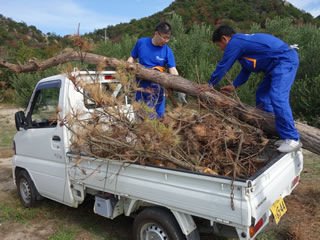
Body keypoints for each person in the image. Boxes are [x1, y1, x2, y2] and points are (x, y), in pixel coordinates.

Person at [206, 25, 301, 153]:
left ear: (224, 39)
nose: (221, 49)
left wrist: (210, 84)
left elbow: (224, 65)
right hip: (275, 65)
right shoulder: (243, 44)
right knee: (262, 96)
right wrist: (234, 85)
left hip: (284, 61)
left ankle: (292, 137)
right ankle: (273, 133)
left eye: (219, 46)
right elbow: (247, 69)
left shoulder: (235, 43)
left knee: (278, 96)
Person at [127, 21, 186, 120]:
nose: (166, 40)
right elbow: (132, 58)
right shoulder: (141, 43)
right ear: (156, 34)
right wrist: (126, 66)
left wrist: (181, 88)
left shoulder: (167, 51)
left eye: (168, 38)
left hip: (157, 91)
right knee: (141, 121)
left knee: (157, 122)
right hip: (140, 89)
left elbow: (173, 70)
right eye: (164, 37)